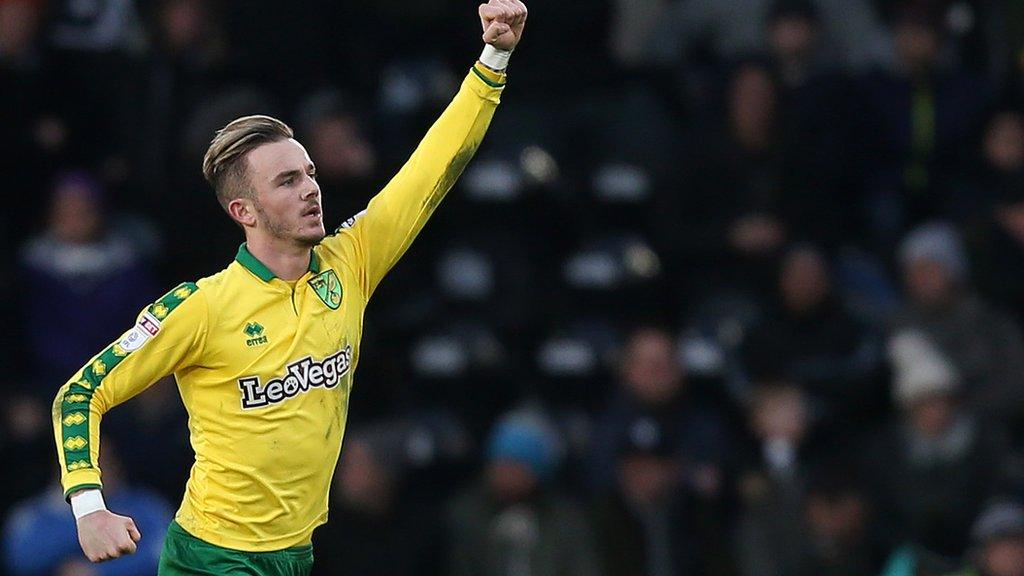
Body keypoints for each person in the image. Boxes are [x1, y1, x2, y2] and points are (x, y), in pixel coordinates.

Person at [49, 2, 529, 574]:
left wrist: (493, 57)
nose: (310, 189)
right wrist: (89, 507)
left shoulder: (350, 263)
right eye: (287, 180)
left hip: (295, 554)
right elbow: (79, 395)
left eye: (310, 174)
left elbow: (431, 167)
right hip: (214, 558)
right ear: (243, 210)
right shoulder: (203, 306)